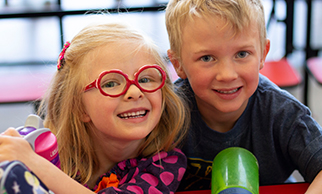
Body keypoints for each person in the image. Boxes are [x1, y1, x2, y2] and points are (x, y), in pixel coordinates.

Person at [0, 22, 190, 193]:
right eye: (111, 84)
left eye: (145, 79)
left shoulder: (164, 163)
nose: (135, 91)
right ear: (80, 107)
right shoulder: (56, 154)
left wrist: (36, 165)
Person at [165, 0, 322, 193]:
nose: (228, 74)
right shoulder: (167, 113)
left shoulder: (283, 113)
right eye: (207, 58)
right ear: (178, 63)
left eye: (242, 54)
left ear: (263, 54)